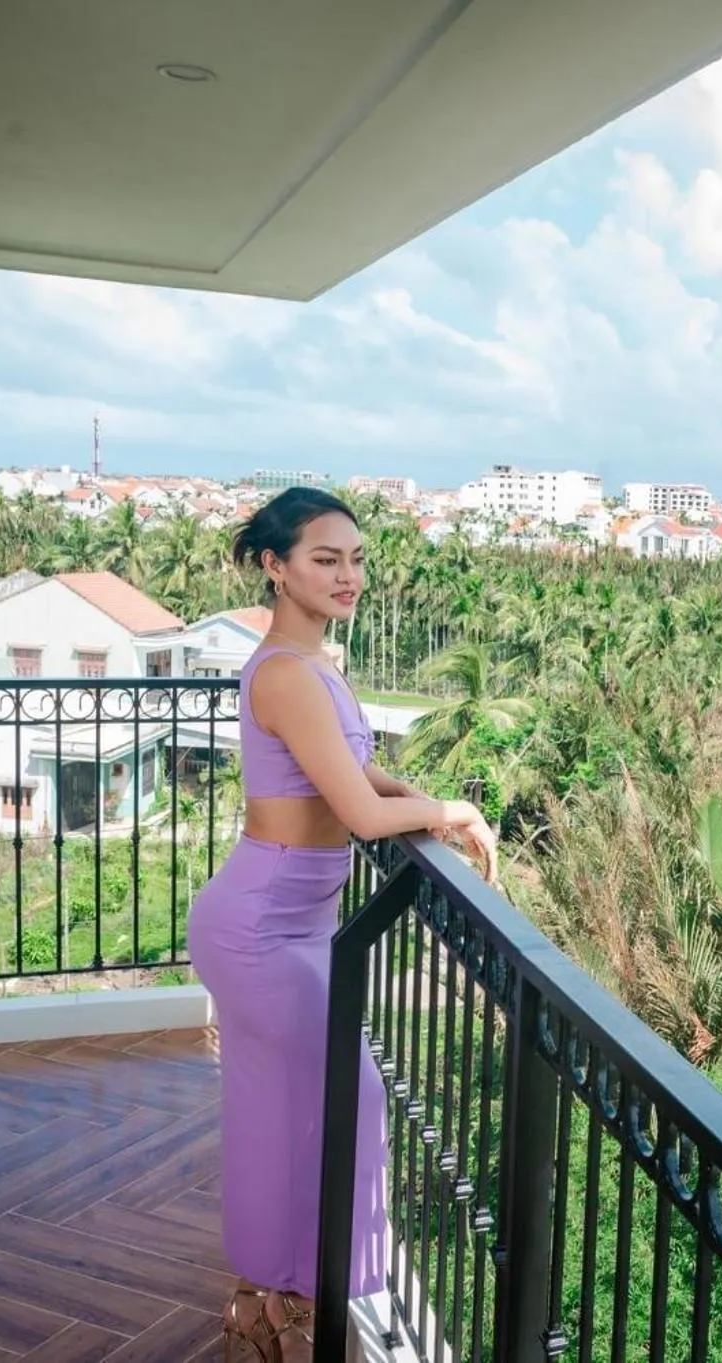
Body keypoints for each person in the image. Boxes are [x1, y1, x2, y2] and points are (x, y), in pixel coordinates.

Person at [188, 488, 496, 1362]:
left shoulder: (317, 664)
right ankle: (290, 1293)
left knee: (274, 1111)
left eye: (356, 558)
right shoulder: (286, 672)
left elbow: (357, 771)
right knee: (350, 1099)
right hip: (261, 926)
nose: (348, 574)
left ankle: (264, 1299)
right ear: (275, 567)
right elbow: (360, 813)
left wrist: (430, 804)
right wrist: (443, 807)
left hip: (291, 922)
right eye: (326, 558)